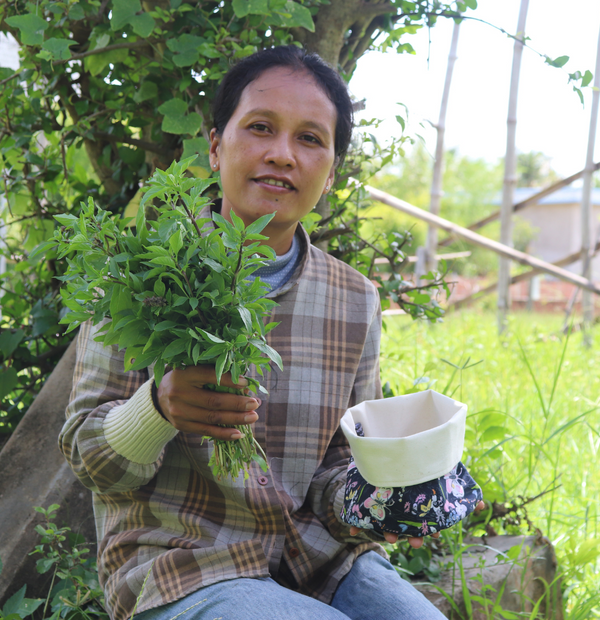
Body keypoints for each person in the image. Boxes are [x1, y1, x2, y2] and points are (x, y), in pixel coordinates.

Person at [60, 45, 447, 620]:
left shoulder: (354, 299)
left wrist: (384, 496)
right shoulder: (142, 275)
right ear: (217, 146)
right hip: (180, 564)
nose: (282, 154)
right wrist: (158, 409)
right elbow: (88, 459)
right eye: (261, 128)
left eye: (311, 139)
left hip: (317, 560)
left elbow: (338, 465)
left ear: (332, 171)